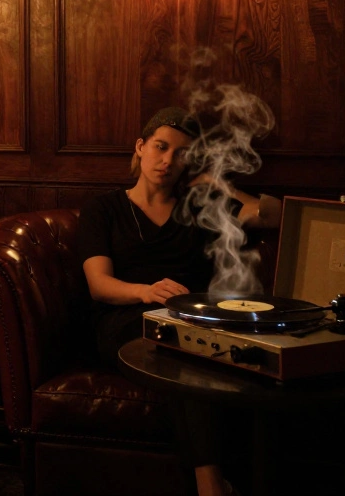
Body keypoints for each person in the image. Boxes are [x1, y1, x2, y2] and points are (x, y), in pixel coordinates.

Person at [78, 106, 281, 496]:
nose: (168, 160)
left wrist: (220, 185)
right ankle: (210, 484)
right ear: (140, 147)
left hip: (190, 322)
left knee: (206, 354)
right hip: (123, 321)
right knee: (179, 351)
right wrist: (144, 291)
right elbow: (99, 285)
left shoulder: (199, 209)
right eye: (160, 147)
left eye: (181, 153)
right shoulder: (104, 209)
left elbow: (273, 216)